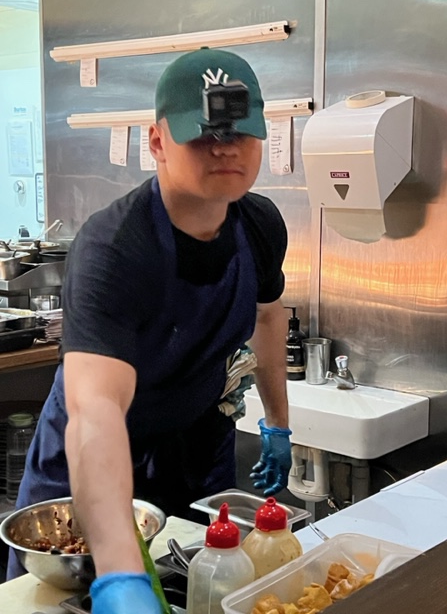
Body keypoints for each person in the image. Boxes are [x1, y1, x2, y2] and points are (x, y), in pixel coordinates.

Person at [8, 47, 292, 614]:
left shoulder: (260, 225)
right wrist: (120, 577)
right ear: (157, 141)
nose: (226, 147)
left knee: (200, 589)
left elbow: (266, 316)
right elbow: (96, 410)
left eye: (241, 132)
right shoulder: (113, 248)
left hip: (194, 446)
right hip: (91, 459)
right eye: (203, 134)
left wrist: (278, 422)